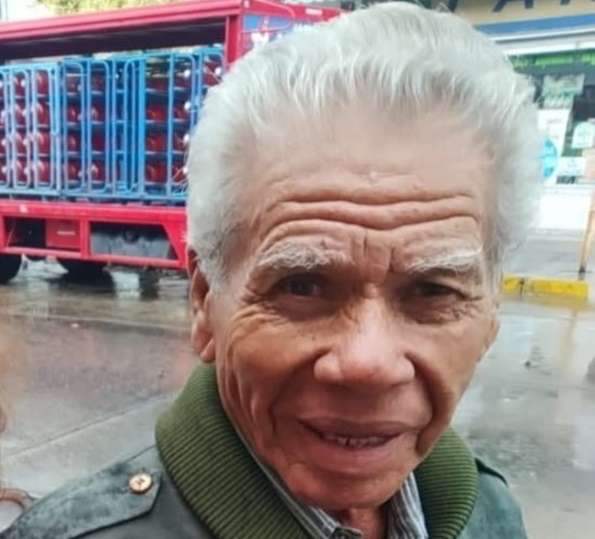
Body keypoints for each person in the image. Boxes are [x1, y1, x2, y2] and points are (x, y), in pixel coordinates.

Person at [1, 3, 538, 538]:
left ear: (491, 312)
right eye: (302, 286)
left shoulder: (489, 512)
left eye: (433, 291)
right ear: (205, 300)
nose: (369, 364)